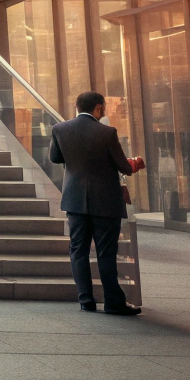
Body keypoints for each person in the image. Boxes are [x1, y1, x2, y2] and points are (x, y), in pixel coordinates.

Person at [47, 91, 143, 315]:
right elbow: (125, 168)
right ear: (98, 108)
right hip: (106, 201)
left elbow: (55, 158)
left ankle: (86, 301)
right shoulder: (107, 133)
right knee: (106, 252)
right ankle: (113, 302)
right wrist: (134, 163)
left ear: (77, 107)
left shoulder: (60, 129)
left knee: (78, 250)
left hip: (74, 200)